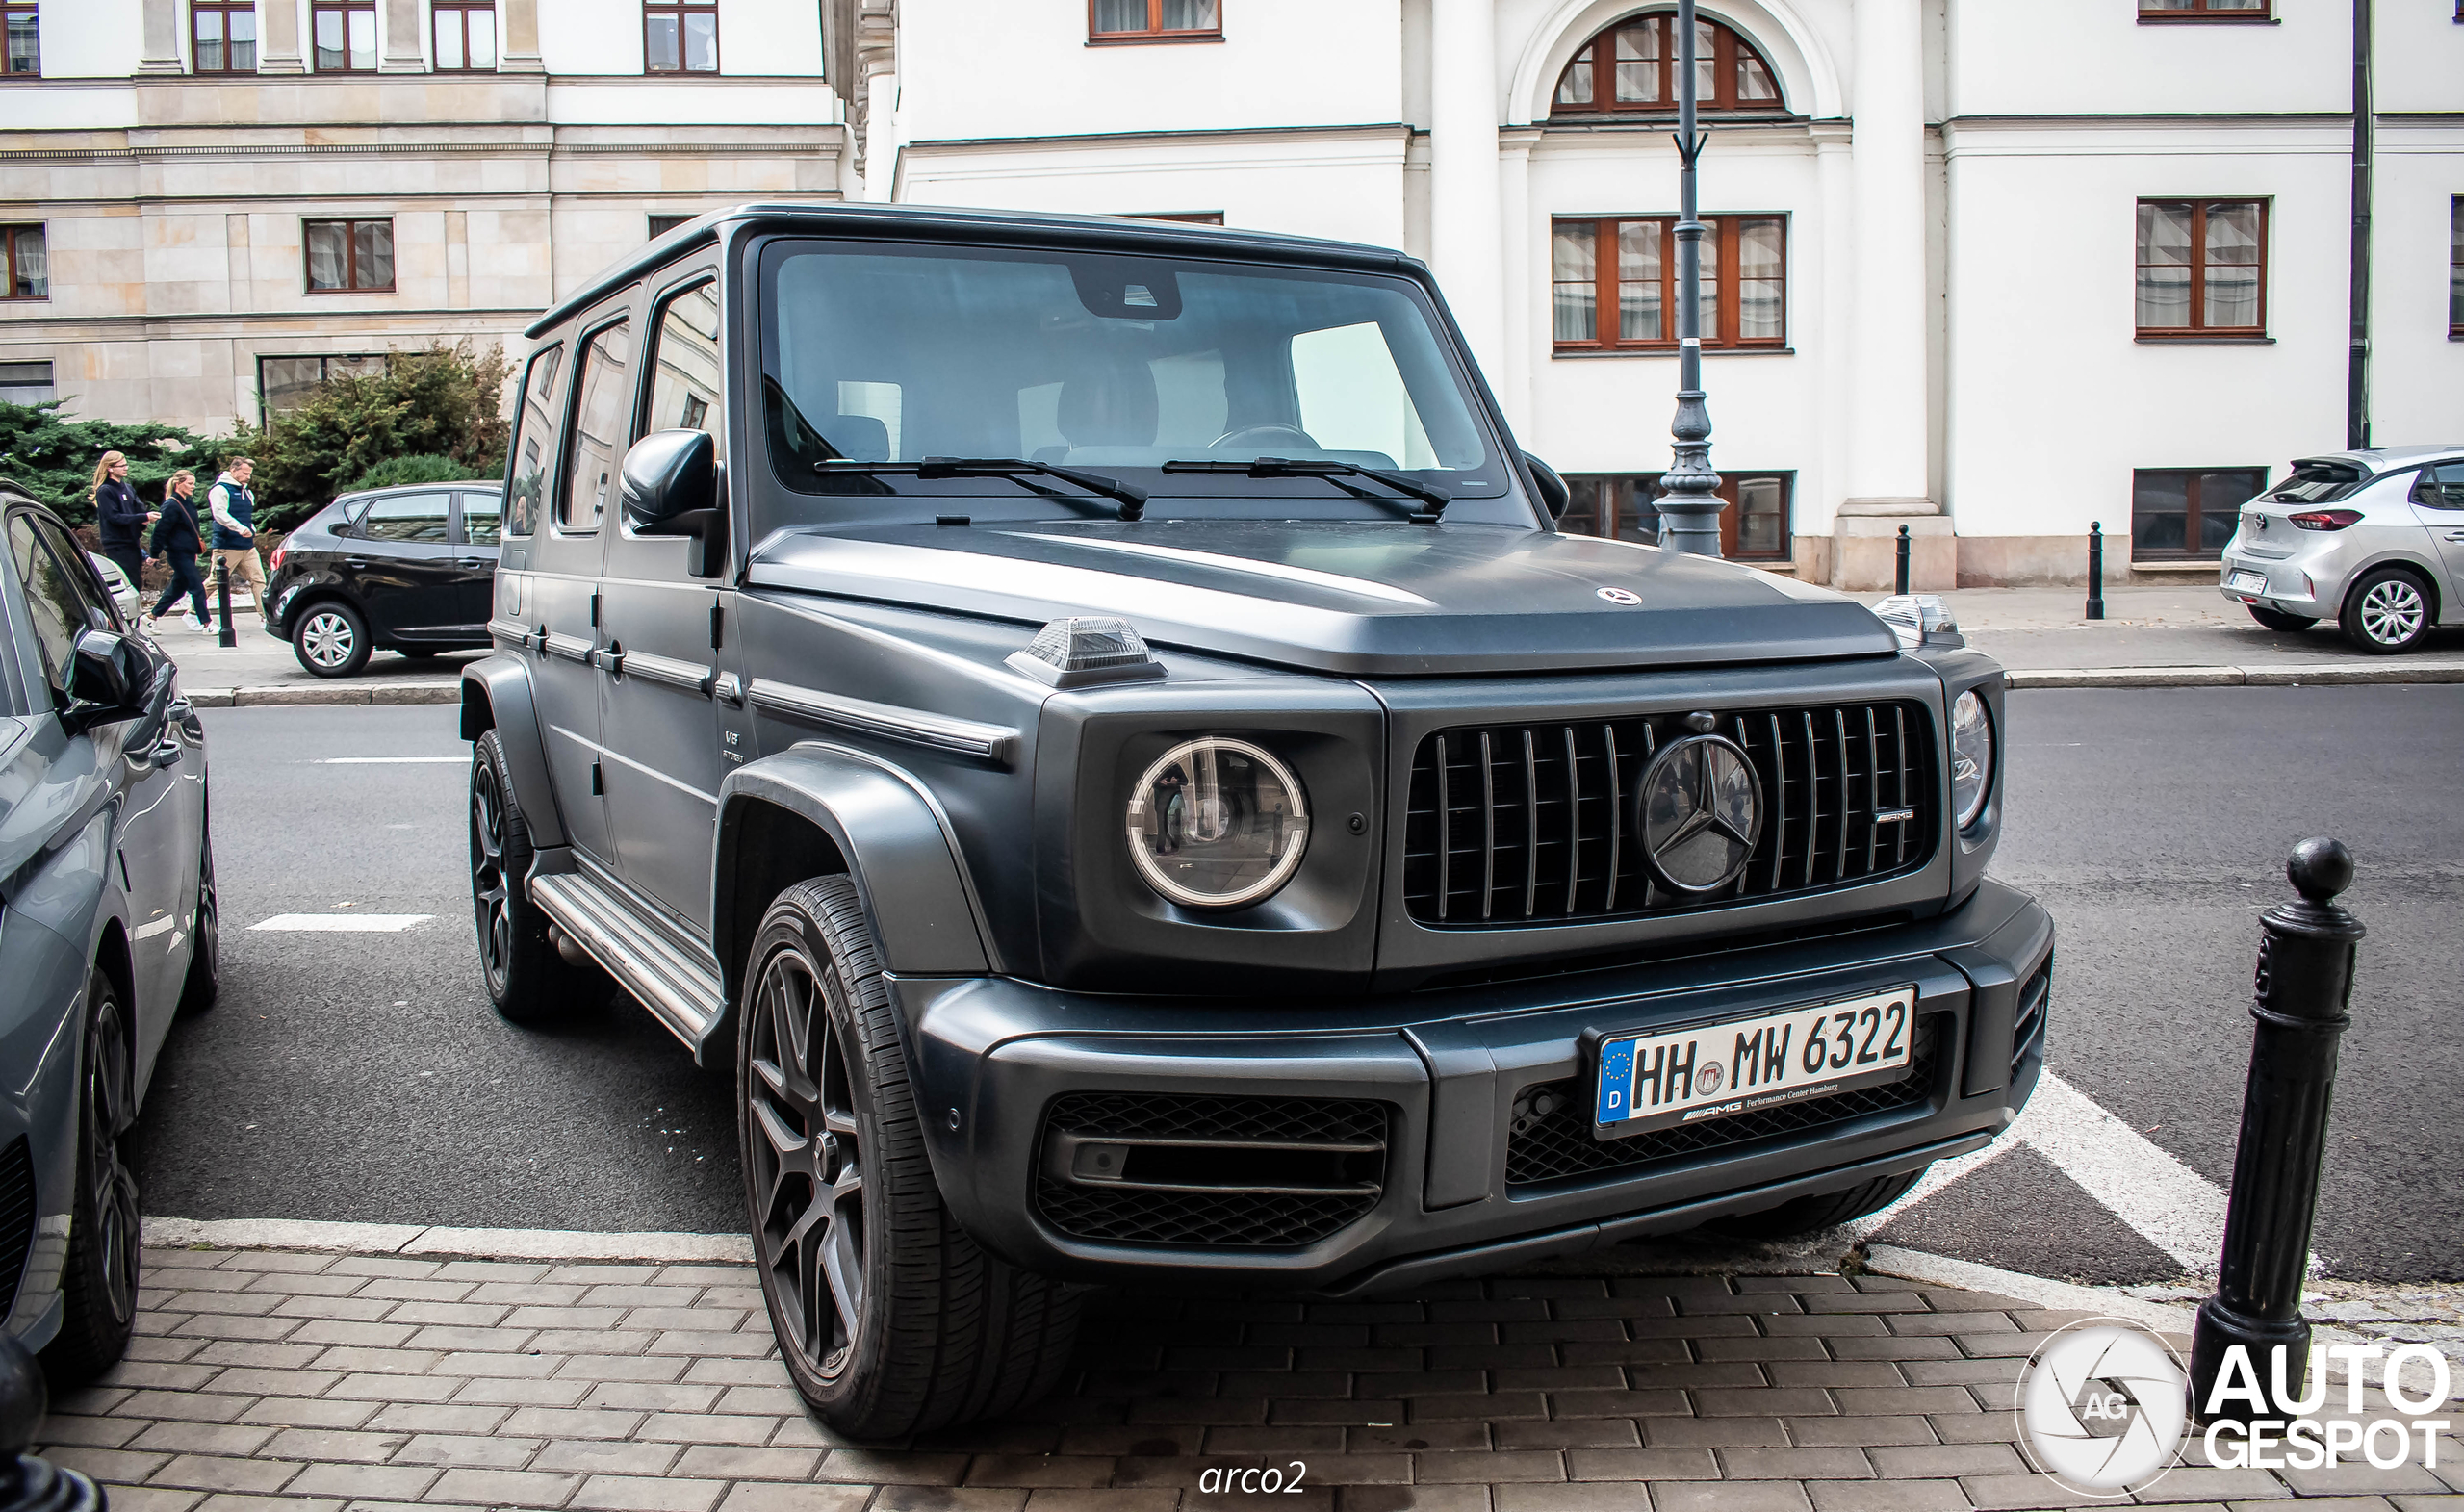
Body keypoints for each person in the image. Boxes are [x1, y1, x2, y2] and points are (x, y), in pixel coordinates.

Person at [90, 451, 159, 622]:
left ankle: (132, 621)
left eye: (126, 464)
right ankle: (122, 620)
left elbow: (138, 509)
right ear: (110, 468)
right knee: (128, 582)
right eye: (121, 465)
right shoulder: (105, 490)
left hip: (131, 541)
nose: (126, 468)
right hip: (117, 543)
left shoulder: (126, 487)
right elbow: (114, 517)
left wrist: (144, 518)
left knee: (136, 582)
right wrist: (143, 518)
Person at [205, 457, 269, 627]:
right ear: (234, 470)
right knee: (214, 581)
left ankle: (265, 616)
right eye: (245, 473)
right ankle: (194, 610)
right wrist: (239, 528)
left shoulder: (246, 491)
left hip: (246, 545)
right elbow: (220, 514)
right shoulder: (220, 490)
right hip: (227, 545)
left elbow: (247, 516)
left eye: (250, 474)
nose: (248, 477)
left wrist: (251, 528)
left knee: (259, 579)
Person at [150, 470, 212, 632]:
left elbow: (193, 530)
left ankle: (151, 616)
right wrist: (154, 554)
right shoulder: (171, 505)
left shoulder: (188, 503)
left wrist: (194, 552)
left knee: (177, 589)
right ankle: (207, 623)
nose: (193, 486)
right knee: (197, 587)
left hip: (188, 552)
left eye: (194, 483)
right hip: (177, 553)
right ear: (179, 484)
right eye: (190, 483)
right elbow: (160, 531)